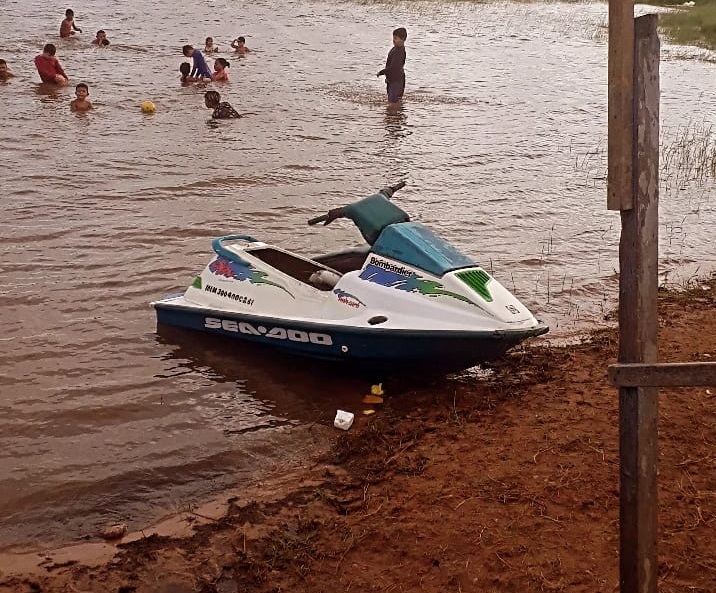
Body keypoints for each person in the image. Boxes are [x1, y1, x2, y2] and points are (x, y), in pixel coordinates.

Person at [376, 27, 407, 104]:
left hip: (397, 81)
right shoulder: (395, 49)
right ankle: (396, 113)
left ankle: (395, 113)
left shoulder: (399, 52)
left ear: (403, 39)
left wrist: (381, 72)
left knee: (393, 101)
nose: (393, 40)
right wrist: (387, 77)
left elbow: (393, 67)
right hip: (393, 79)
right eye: (393, 38)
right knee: (393, 101)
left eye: (396, 38)